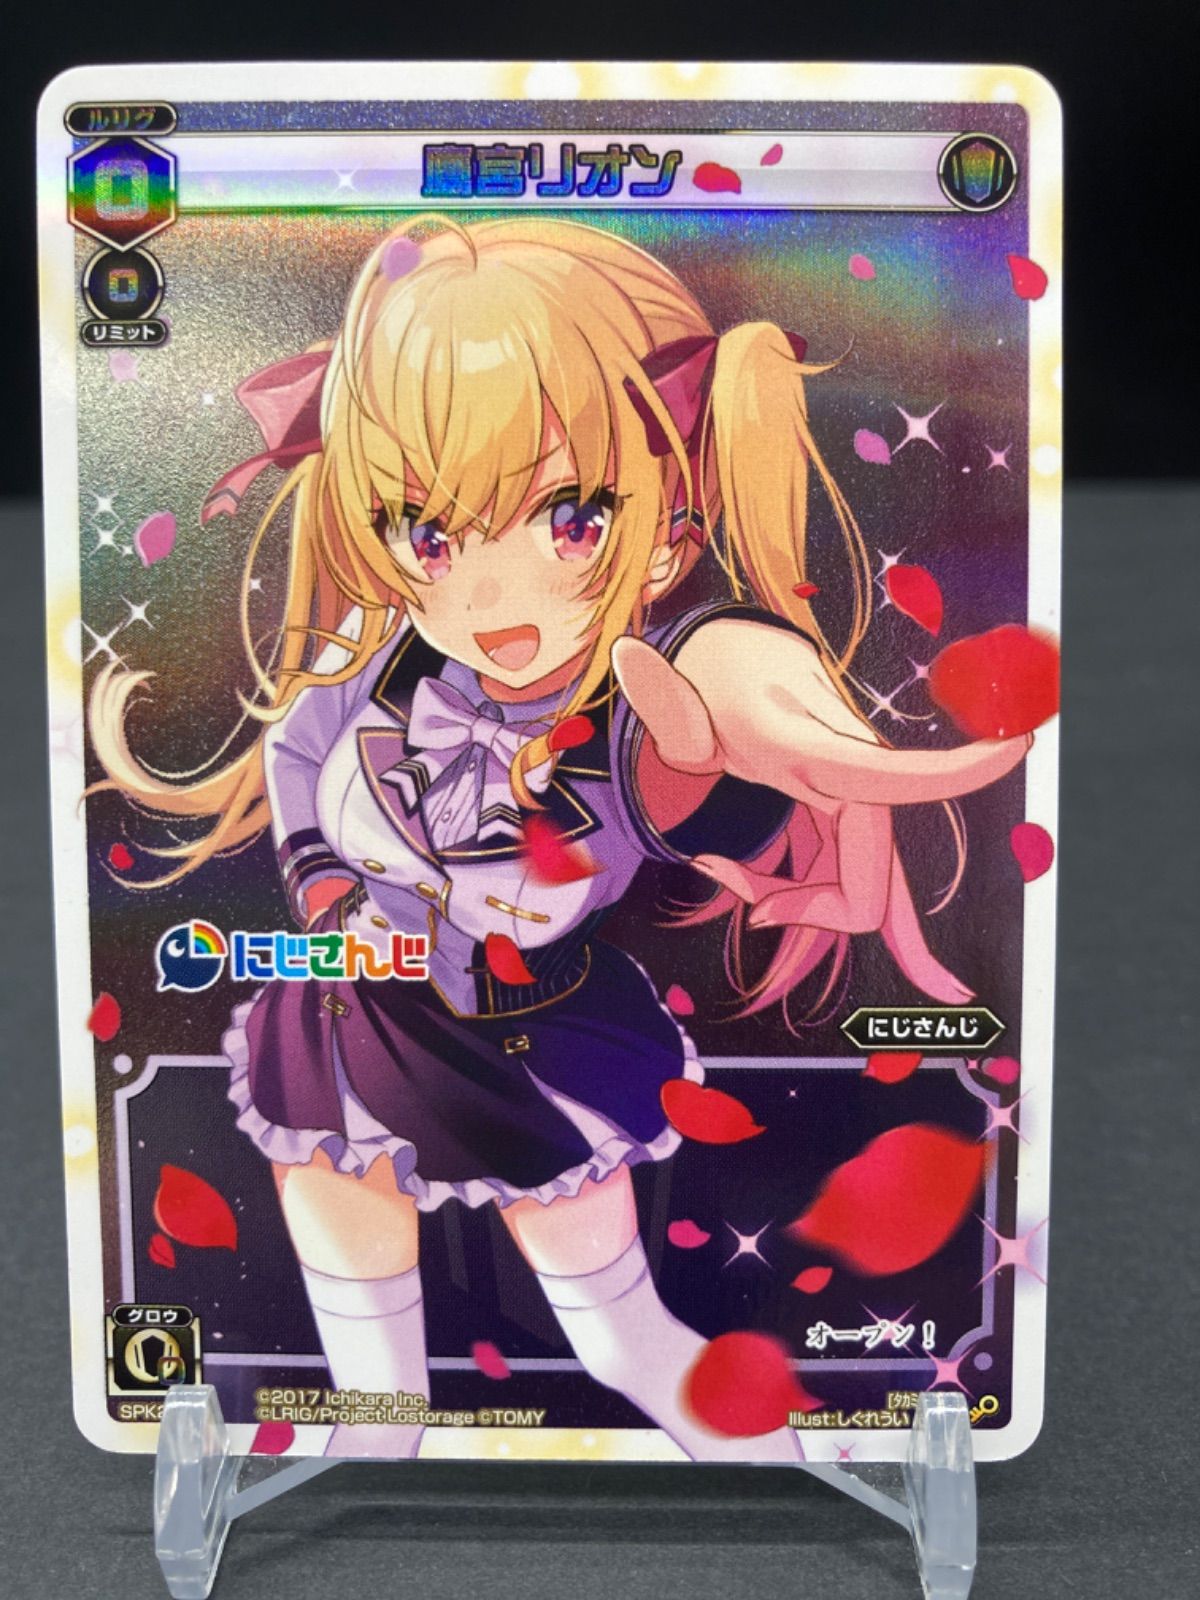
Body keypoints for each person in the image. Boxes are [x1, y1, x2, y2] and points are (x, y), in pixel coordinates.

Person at [91, 216, 1029, 1460]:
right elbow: (301, 746)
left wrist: (792, 744)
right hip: (349, 1020)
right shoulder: (382, 665)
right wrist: (322, 888)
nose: (489, 597)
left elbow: (723, 730)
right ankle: (369, 1490)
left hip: (535, 1040)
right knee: (373, 1401)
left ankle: (807, 1462)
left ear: (670, 514)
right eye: (431, 533)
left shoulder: (646, 716)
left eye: (573, 515)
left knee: (621, 1342)